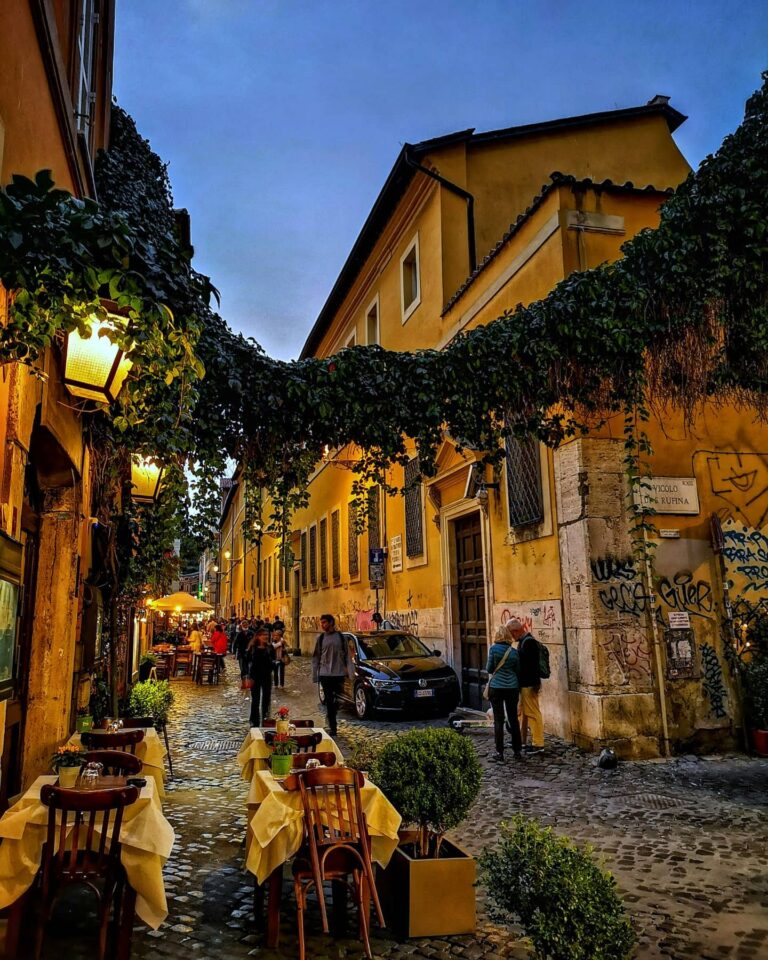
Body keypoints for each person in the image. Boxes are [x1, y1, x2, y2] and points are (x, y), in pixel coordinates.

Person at [507, 617, 545, 753]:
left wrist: (535, 684)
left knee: (533, 714)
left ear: (516, 631)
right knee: (523, 713)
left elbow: (532, 666)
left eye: (511, 634)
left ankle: (538, 744)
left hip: (529, 684)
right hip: (525, 684)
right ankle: (522, 740)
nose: (511, 637)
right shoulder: (524, 642)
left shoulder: (528, 643)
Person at [311, 614, 353, 736]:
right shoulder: (321, 638)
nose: (322, 625)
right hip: (325, 674)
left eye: (324, 622)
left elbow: (347, 656)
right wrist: (315, 675)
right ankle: (333, 727)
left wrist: (350, 672)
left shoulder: (340, 637)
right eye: (321, 622)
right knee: (329, 700)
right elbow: (316, 657)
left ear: (331, 622)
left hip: (338, 673)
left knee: (337, 700)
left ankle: (331, 717)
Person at [485, 624, 522, 763]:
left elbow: (489, 669)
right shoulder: (513, 652)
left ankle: (499, 753)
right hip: (512, 688)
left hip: (497, 688)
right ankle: (517, 750)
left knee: (498, 720)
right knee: (513, 718)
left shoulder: (493, 649)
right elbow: (518, 671)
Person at [247, 626, 275, 726]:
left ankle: (265, 719)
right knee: (255, 699)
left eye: (267, 635)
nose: (266, 637)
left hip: (266, 676)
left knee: (266, 699)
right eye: (263, 635)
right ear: (258, 636)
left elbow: (273, 661)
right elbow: (248, 662)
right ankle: (254, 720)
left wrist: (274, 664)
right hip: (255, 676)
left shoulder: (270, 648)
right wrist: (248, 677)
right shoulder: (253, 648)